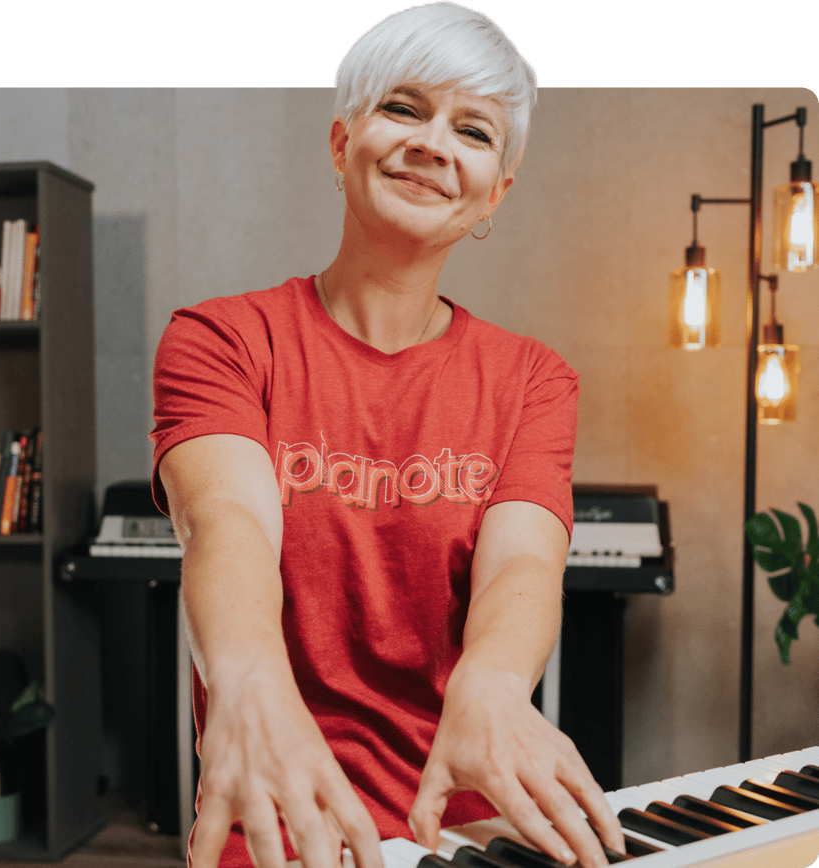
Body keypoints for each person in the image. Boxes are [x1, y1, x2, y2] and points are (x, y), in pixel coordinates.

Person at [150, 4, 625, 868]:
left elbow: (524, 562)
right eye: (402, 109)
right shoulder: (221, 339)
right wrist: (246, 676)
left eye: (473, 130)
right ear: (342, 144)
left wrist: (491, 683)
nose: (433, 144)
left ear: (495, 191)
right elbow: (228, 521)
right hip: (281, 821)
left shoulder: (532, 378)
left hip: (469, 827)